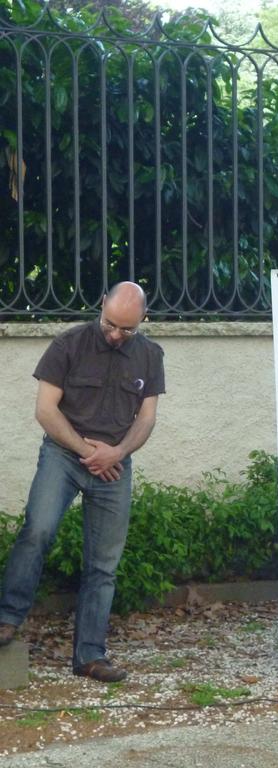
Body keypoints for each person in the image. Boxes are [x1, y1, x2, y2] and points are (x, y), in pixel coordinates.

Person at [0, 282, 165, 683]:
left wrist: (118, 453)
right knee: (37, 530)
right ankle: (7, 619)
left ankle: (90, 656)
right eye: (110, 324)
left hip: (114, 466)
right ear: (101, 306)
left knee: (104, 564)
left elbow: (146, 419)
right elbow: (45, 410)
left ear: (143, 320)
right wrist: (88, 452)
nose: (115, 334)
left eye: (127, 329)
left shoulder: (150, 355)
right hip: (64, 454)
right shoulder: (68, 344)